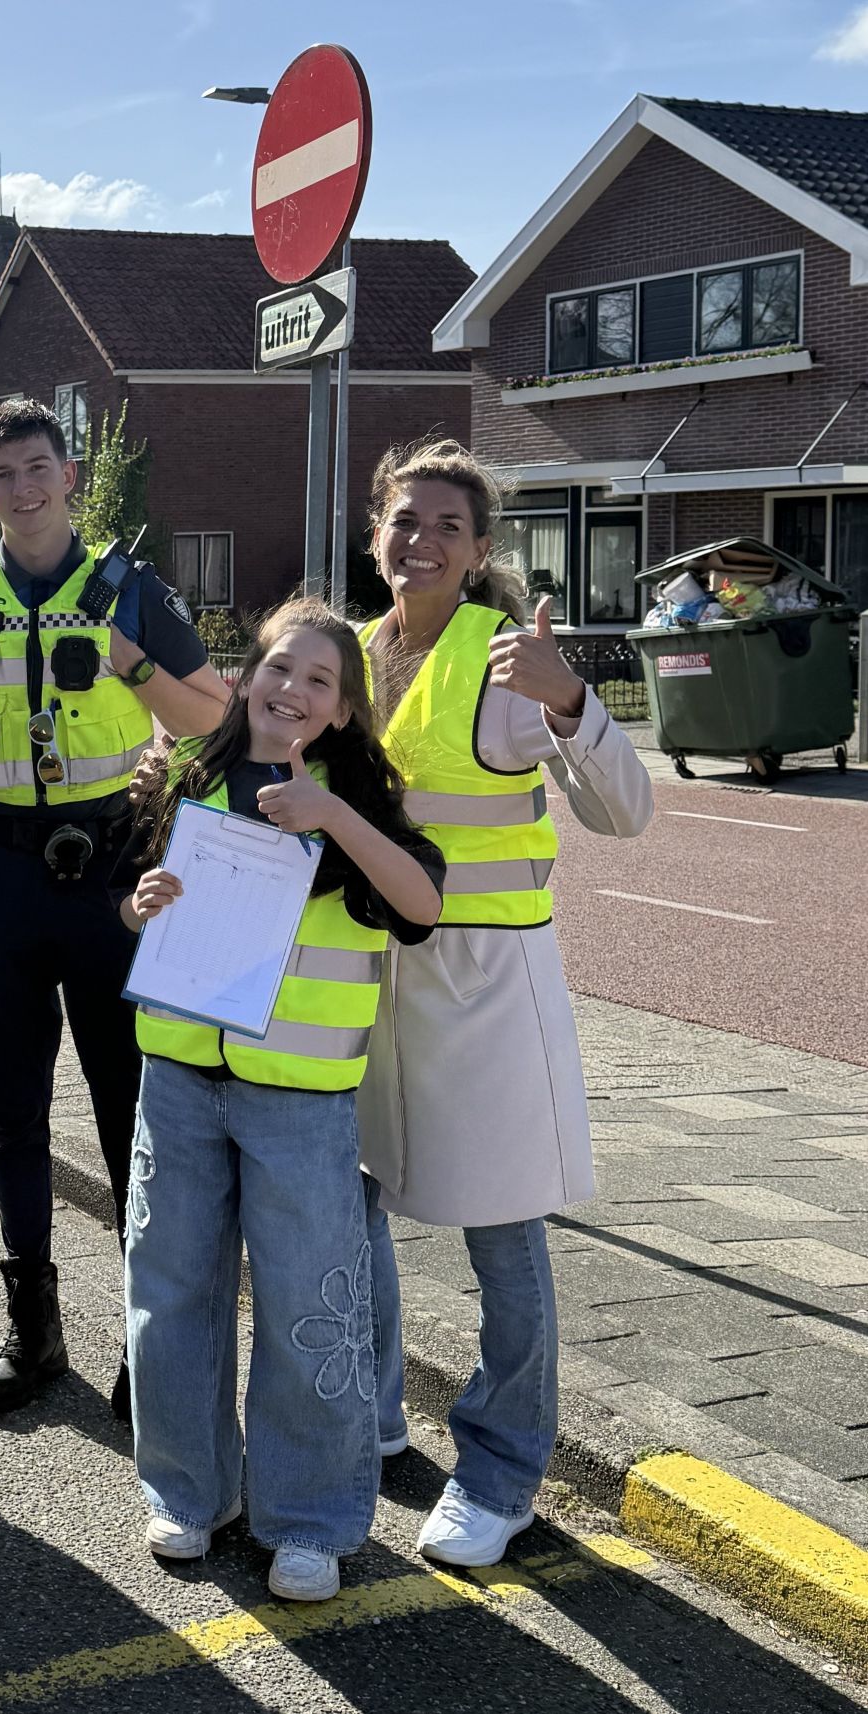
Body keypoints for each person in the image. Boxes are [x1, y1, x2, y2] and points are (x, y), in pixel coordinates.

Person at [0, 399, 229, 1416]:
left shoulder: (129, 592)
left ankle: (147, 1336)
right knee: (10, 1110)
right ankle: (33, 1330)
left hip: (114, 868)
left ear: (68, 475)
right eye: (3, 473)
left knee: (133, 1110)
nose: (22, 488)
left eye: (38, 467)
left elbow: (217, 721)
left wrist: (137, 667)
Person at [356, 437, 653, 1567]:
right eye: (403, 520)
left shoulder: (505, 665)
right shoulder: (356, 647)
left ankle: (502, 1469)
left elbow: (625, 814)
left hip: (483, 986)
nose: (420, 541)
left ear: (480, 550)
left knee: (504, 1235)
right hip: (365, 980)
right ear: (374, 533)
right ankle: (373, 1413)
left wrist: (573, 699)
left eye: (446, 526)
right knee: (349, 1201)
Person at [120, 599, 443, 1603]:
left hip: (301, 1098)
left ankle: (307, 1518)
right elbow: (143, 899)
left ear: (345, 711)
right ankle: (189, 1492)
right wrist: (136, 907)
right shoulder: (187, 777)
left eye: (320, 682)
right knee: (171, 1291)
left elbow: (424, 905)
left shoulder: (361, 803)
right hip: (177, 1079)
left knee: (311, 1305)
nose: (292, 692)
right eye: (278, 670)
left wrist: (333, 815)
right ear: (246, 676)